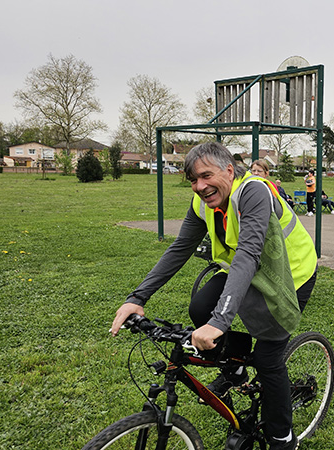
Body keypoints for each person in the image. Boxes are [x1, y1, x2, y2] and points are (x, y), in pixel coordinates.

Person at [109, 142, 317, 450]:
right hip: (245, 269)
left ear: (229, 170)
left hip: (289, 275)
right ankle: (236, 368)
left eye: (206, 176)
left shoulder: (254, 191)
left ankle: (283, 438)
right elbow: (180, 249)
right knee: (200, 308)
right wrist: (138, 297)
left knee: (268, 358)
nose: (200, 186)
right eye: (193, 180)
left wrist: (221, 321)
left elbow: (248, 252)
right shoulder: (201, 203)